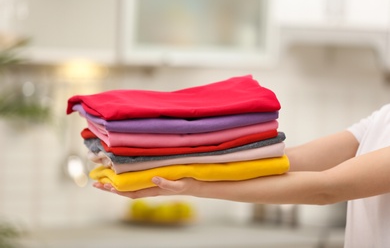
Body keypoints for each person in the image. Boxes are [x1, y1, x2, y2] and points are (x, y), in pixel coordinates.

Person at [93, 103, 390, 248]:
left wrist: (193, 185)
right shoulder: (384, 117)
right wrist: (164, 163)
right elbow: (289, 161)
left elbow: (327, 188)